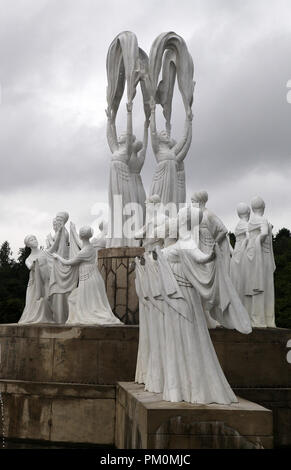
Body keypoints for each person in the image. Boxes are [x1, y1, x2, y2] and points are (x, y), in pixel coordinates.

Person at [53, 226, 122, 325]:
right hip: (93, 277)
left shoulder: (83, 252)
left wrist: (58, 257)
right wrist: (74, 232)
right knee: (87, 300)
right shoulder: (90, 247)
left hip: (88, 279)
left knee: (87, 301)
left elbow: (68, 263)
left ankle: (87, 315)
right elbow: (81, 243)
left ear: (81, 236)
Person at [106, 102, 138, 247]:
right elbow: (110, 137)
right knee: (115, 206)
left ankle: (126, 239)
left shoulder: (126, 151)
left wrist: (129, 113)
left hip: (122, 179)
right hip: (113, 180)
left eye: (123, 135)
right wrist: (109, 120)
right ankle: (116, 237)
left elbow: (129, 132)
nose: (120, 135)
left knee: (123, 205)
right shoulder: (116, 150)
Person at [149, 97, 192, 205]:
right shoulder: (157, 149)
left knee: (171, 203)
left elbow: (184, 139)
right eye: (163, 134)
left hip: (171, 181)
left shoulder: (172, 152)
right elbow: (153, 132)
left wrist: (189, 121)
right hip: (161, 180)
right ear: (159, 139)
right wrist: (153, 111)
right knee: (160, 203)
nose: (166, 135)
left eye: (166, 134)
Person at [244, 197, 276, 328]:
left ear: (252, 209)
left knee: (256, 287)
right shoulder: (262, 220)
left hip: (252, 255)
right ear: (263, 207)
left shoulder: (251, 221)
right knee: (266, 287)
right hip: (263, 256)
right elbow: (263, 233)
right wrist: (261, 238)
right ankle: (266, 319)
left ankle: (257, 318)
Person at [19, 235, 53, 324]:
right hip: (34, 282)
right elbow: (30, 266)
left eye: (35, 239)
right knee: (32, 300)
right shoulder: (28, 259)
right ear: (28, 245)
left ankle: (46, 316)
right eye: (31, 240)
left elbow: (51, 264)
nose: (34, 240)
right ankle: (33, 317)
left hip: (45, 280)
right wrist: (36, 263)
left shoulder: (44, 253)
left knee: (45, 300)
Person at [128, 120, 149, 224]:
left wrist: (146, 129)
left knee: (140, 207)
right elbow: (144, 146)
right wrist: (145, 129)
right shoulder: (127, 156)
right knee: (136, 207)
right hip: (134, 183)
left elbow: (145, 146)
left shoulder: (131, 157)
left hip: (135, 184)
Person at [230, 203, 250, 304]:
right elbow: (249, 237)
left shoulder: (239, 224)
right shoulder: (244, 224)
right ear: (248, 212)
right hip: (241, 255)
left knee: (238, 284)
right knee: (243, 283)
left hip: (236, 254)